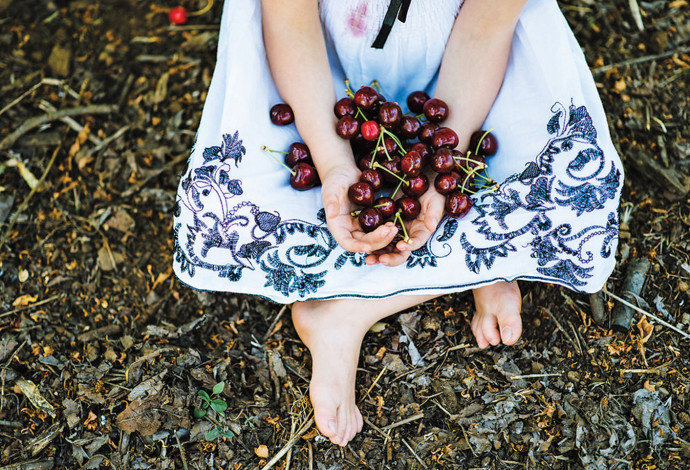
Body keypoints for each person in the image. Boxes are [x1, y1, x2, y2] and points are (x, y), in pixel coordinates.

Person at [173, 0, 623, 447]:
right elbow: (289, 22)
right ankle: (483, 262)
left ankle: (349, 314)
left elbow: (485, 30)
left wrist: (437, 169)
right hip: (319, 84)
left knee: (574, 183)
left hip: (468, 83)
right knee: (221, 202)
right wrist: (332, 163)